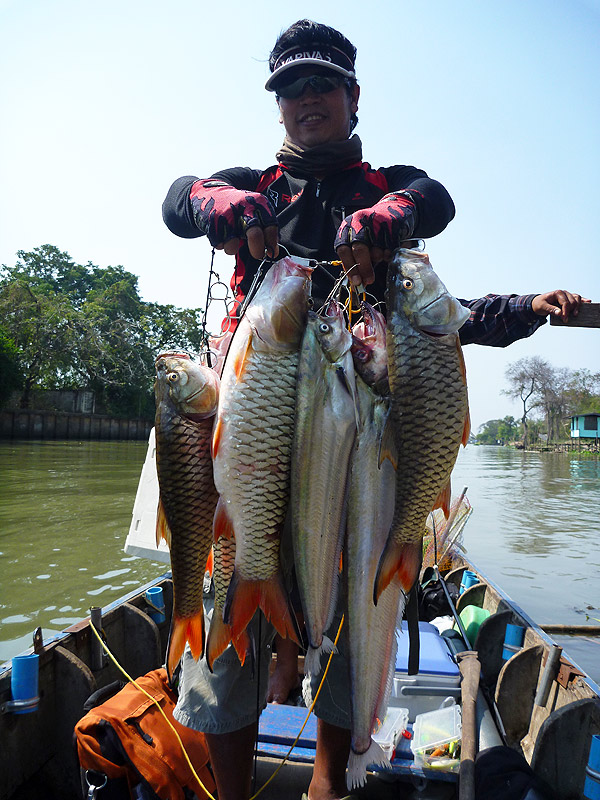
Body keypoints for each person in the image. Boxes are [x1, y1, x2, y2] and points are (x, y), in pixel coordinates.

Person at [162, 20, 588, 800]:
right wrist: (228, 208)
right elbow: (178, 199)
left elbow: (436, 231)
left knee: (356, 603)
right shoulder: (249, 187)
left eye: (321, 84)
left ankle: (330, 781)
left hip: (357, 436)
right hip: (250, 433)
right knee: (228, 617)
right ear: (278, 108)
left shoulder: (390, 189)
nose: (305, 99)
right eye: (290, 88)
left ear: (353, 97)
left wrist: (523, 304)